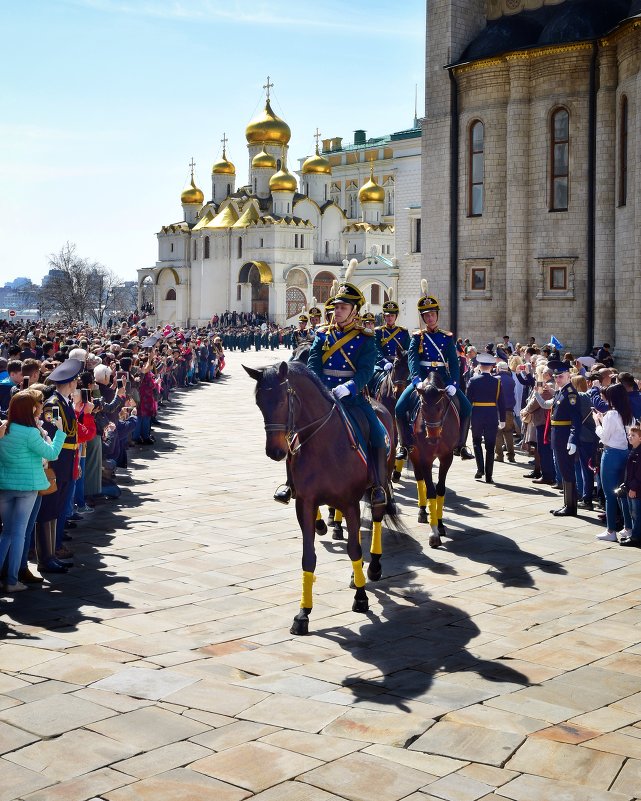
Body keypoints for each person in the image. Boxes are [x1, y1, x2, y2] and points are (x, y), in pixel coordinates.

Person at [307, 270, 389, 508]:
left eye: (343, 307)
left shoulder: (366, 337)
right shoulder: (322, 335)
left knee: (378, 435)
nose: (337, 311)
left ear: (355, 310)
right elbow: (313, 363)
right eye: (335, 307)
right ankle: (292, 482)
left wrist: (350, 387)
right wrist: (319, 388)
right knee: (295, 430)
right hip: (324, 396)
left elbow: (366, 370)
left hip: (352, 398)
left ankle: (377, 485)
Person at [395, 283, 473, 460]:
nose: (430, 318)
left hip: (443, 379)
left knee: (467, 407)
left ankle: (461, 445)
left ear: (437, 315)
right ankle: (405, 445)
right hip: (423, 378)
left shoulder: (447, 337)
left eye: (432, 314)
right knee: (399, 408)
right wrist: (415, 381)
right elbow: (412, 359)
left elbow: (454, 362)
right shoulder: (417, 337)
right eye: (426, 316)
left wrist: (453, 383)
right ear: (423, 318)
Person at [0, 390, 66, 590]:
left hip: (5, 485)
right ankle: (11, 580)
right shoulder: (30, 433)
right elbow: (52, 453)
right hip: (27, 487)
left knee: (6, 533)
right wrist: (60, 431)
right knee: (19, 533)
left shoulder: (5, 428)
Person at [594, 383, 633, 542]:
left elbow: (604, 436)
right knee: (622, 493)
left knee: (610, 494)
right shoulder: (628, 414)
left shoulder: (611, 414)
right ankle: (628, 528)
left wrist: (597, 422)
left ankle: (611, 530)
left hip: (611, 454)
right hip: (625, 453)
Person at [547, 360, 582, 516]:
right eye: (556, 377)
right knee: (563, 470)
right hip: (558, 435)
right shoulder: (560, 391)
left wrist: (572, 439)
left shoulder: (571, 394)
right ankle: (567, 504)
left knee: (567, 471)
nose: (557, 379)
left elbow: (576, 419)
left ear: (568, 376)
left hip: (565, 436)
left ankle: (571, 506)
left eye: (560, 376)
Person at [466, 352, 506, 483]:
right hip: (491, 415)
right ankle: (489, 475)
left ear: (480, 366)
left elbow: (468, 401)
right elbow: (501, 402)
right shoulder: (497, 382)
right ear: (491, 367)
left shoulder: (473, 380)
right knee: (490, 445)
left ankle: (480, 469)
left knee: (476, 442)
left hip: (477, 414)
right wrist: (503, 419)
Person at [621, 425, 641, 547]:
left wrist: (633, 487)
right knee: (632, 512)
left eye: (633, 435)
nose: (630, 437)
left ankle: (636, 537)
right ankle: (635, 534)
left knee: (636, 513)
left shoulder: (639, 453)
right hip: (631, 487)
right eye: (629, 435)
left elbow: (639, 474)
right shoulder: (633, 450)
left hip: (636, 489)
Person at [494, 361, 516, 463]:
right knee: (509, 433)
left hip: (498, 409)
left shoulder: (495, 378)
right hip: (509, 409)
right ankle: (511, 456)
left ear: (498, 368)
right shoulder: (511, 380)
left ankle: (499, 455)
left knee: (498, 433)